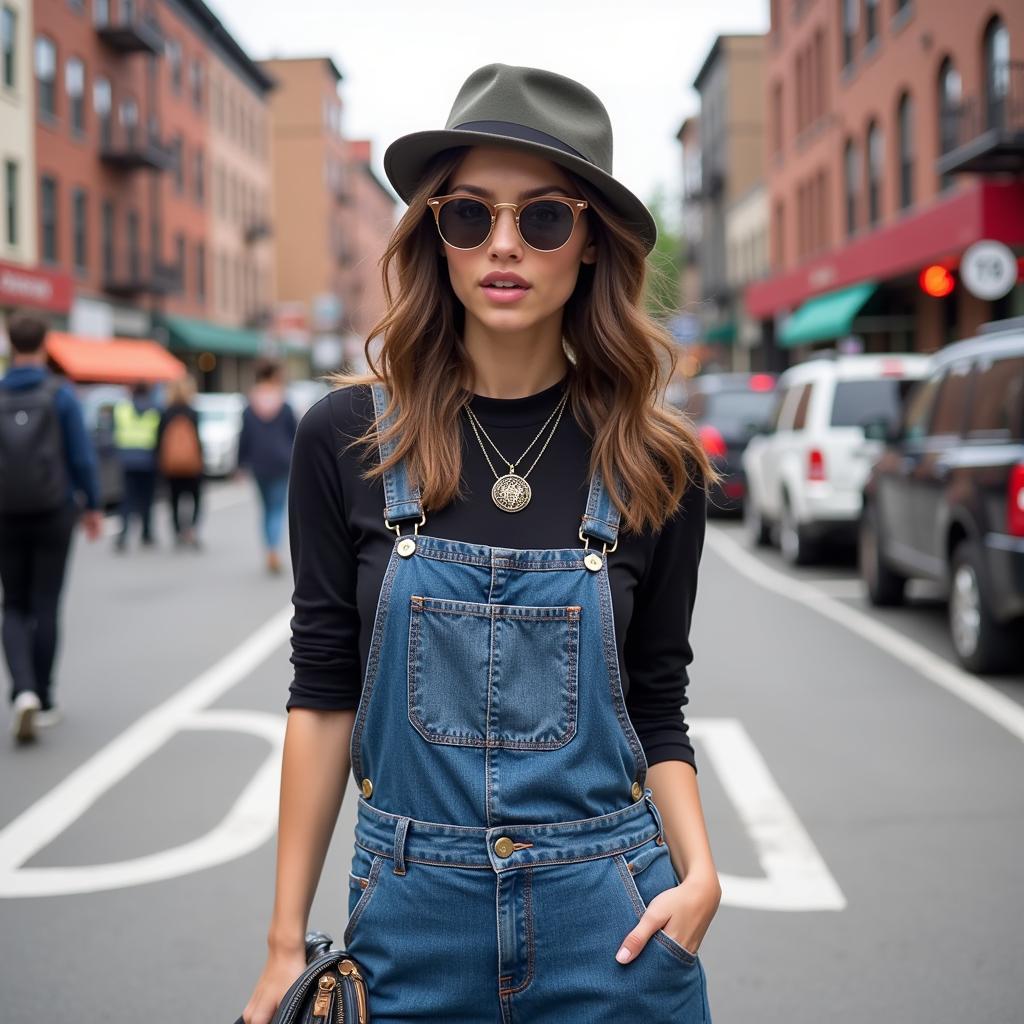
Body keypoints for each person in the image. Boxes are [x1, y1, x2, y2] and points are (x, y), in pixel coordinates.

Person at [241, 64, 724, 1024]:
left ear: (589, 243)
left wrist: (701, 871)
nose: (504, 244)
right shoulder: (345, 437)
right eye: (469, 215)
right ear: (437, 235)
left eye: (543, 217)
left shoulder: (652, 458)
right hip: (408, 924)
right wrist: (282, 943)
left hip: (614, 923)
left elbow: (656, 697)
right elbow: (324, 688)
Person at [0, 312, 103, 743]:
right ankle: (43, 697)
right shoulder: (60, 395)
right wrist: (92, 505)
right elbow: (81, 456)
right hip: (53, 512)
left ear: (9, 344)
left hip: (5, 512)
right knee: (46, 602)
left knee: (14, 604)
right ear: (44, 344)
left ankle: (21, 688)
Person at [236, 359, 298, 575]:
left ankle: (269, 550)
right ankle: (273, 549)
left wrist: (240, 463)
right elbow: (295, 435)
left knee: (265, 508)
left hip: (258, 462)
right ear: (274, 376)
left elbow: (244, 437)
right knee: (276, 508)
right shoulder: (285, 404)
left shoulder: (250, 405)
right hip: (281, 461)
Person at [156, 373, 204, 549]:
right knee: (196, 499)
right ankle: (191, 529)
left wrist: (160, 462)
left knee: (174, 499)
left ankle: (178, 531)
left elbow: (159, 440)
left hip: (172, 466)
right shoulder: (192, 412)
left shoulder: (166, 412)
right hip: (191, 466)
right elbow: (198, 440)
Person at [113, 380, 161, 551]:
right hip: (148, 461)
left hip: (127, 460)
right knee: (146, 499)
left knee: (127, 499)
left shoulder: (122, 409)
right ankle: (146, 533)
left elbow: (114, 432)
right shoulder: (155, 409)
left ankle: (123, 535)